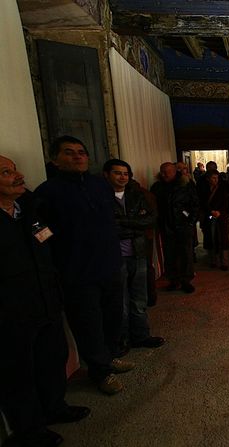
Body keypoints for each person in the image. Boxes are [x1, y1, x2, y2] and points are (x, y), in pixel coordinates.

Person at [0, 155, 90, 447]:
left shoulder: (29, 209)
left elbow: (48, 243)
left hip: (47, 301)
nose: (18, 176)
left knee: (52, 358)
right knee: (19, 373)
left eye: (15, 169)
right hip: (11, 312)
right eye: (6, 172)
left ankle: (55, 407)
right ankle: (29, 430)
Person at [35, 136, 135, 396]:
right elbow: (41, 232)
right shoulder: (47, 192)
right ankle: (100, 371)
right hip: (78, 272)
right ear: (55, 159)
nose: (77, 156)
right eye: (69, 152)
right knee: (88, 324)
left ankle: (110, 357)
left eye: (81, 152)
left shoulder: (99, 185)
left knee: (113, 317)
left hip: (110, 265)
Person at [103, 159, 165, 352]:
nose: (122, 177)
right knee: (119, 302)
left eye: (125, 173)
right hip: (114, 257)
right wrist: (134, 224)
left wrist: (123, 222)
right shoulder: (101, 197)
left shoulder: (137, 195)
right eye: (117, 173)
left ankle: (141, 335)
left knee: (139, 299)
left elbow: (150, 219)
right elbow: (105, 227)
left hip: (138, 253)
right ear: (107, 175)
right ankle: (121, 339)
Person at [150, 162, 199, 293]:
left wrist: (190, 221)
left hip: (183, 225)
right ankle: (173, 280)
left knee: (186, 254)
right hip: (166, 226)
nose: (164, 174)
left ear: (174, 171)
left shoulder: (185, 184)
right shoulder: (157, 187)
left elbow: (194, 204)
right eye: (162, 172)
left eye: (167, 172)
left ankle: (186, 281)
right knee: (170, 255)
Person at [202, 170, 229, 270]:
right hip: (209, 216)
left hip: (221, 216)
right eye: (213, 178)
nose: (216, 180)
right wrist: (210, 211)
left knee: (223, 239)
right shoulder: (204, 189)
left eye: (217, 178)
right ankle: (213, 260)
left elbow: (226, 202)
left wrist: (220, 212)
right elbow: (202, 202)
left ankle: (224, 262)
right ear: (208, 179)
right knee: (211, 238)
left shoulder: (222, 188)